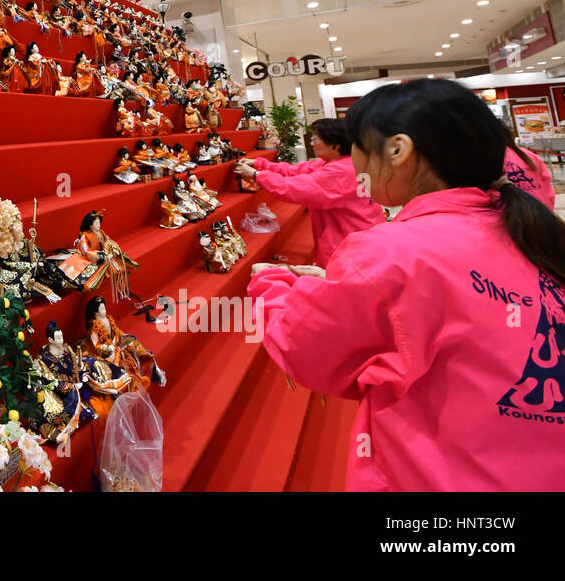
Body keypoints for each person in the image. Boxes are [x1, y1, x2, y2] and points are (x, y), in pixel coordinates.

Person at [248, 79, 565, 491]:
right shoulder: (529, 229)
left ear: (398, 150)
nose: (356, 162)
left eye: (359, 146)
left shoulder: (391, 251)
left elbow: (307, 345)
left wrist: (272, 284)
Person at [235, 118, 383, 268]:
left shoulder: (340, 172)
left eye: (316, 139)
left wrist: (257, 175)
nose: (311, 143)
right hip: (361, 233)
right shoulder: (340, 162)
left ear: (335, 144)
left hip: (350, 243)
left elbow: (294, 188)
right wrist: (260, 164)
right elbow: (295, 170)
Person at [502, 125, 555, 209]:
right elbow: (546, 183)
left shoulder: (491, 158)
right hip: (543, 210)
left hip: (514, 214)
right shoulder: (529, 154)